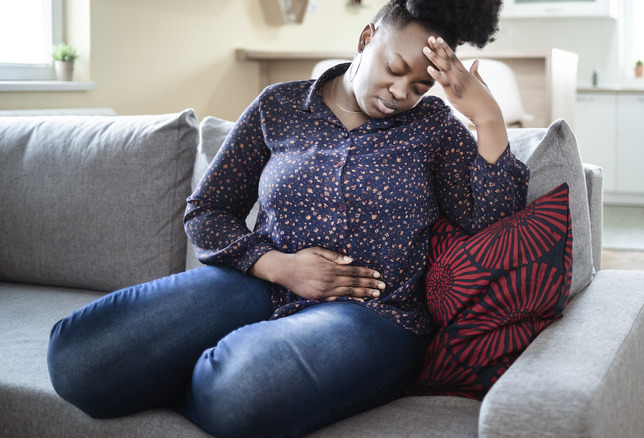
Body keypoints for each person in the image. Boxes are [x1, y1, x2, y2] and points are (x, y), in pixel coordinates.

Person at [46, 1, 529, 437]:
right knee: (78, 359)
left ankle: (190, 376)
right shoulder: (277, 106)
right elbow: (207, 211)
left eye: (421, 85)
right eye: (394, 69)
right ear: (366, 39)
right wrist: (278, 266)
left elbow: (491, 223)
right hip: (257, 286)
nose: (401, 92)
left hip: (374, 316)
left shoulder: (434, 128)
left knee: (237, 395)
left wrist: (488, 118)